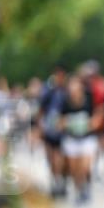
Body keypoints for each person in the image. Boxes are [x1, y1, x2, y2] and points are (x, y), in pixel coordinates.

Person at [60, 75, 100, 205]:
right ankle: (78, 191)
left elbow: (98, 114)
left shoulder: (89, 99)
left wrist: (93, 123)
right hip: (71, 139)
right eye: (71, 85)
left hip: (87, 138)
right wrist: (66, 123)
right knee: (74, 169)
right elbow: (59, 121)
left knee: (85, 166)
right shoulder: (65, 102)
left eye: (76, 85)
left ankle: (86, 187)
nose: (73, 88)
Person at [40, 67, 69, 198]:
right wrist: (41, 127)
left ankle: (60, 181)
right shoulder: (48, 92)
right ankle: (55, 181)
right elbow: (41, 110)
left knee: (60, 158)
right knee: (51, 158)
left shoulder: (66, 93)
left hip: (62, 131)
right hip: (49, 130)